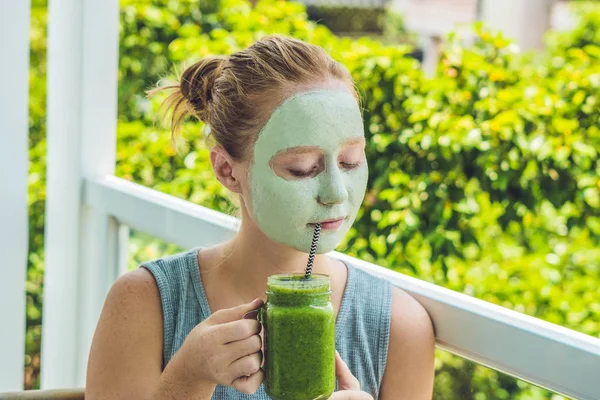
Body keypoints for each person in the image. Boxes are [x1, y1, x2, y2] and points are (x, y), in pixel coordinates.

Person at [86, 35, 435, 400]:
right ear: (227, 170)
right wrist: (186, 378)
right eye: (301, 169)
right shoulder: (144, 303)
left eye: (350, 161)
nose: (336, 193)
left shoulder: (399, 328)